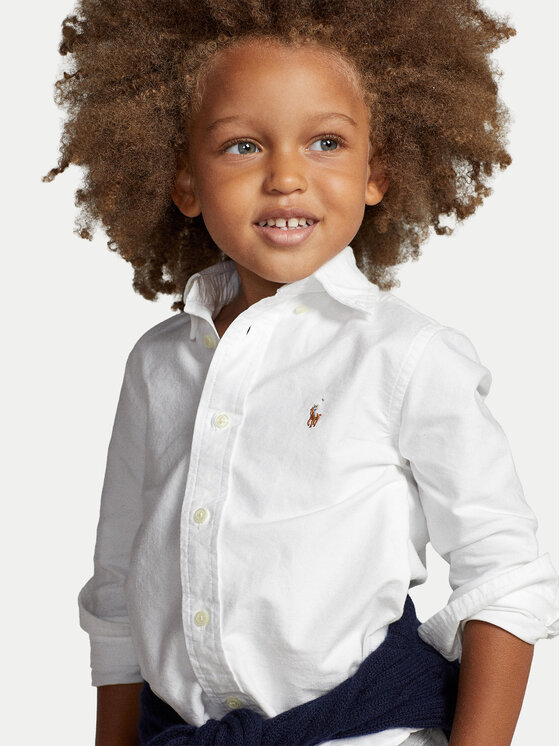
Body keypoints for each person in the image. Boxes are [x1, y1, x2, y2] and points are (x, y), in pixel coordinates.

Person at [44, 1, 558, 744]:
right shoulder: (158, 364)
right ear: (184, 179)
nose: (286, 177)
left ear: (376, 171)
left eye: (325, 142)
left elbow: (502, 574)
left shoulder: (407, 355)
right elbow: (121, 587)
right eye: (243, 146)